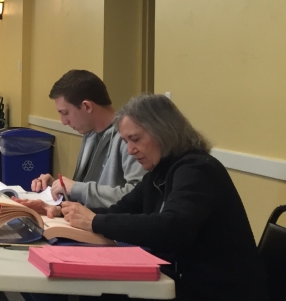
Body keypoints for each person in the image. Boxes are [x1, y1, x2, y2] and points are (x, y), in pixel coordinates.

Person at [38, 95, 269, 301]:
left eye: (135, 139)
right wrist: (68, 211)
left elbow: (173, 227)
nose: (130, 150)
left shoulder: (197, 169)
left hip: (214, 290)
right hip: (182, 279)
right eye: (126, 141)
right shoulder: (161, 171)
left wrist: (93, 221)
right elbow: (123, 209)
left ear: (163, 131)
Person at [28, 70, 146, 212]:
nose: (64, 122)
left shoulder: (129, 137)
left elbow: (139, 196)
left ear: (87, 106)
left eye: (65, 113)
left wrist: (76, 188)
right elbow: (84, 195)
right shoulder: (89, 135)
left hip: (110, 228)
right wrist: (58, 188)